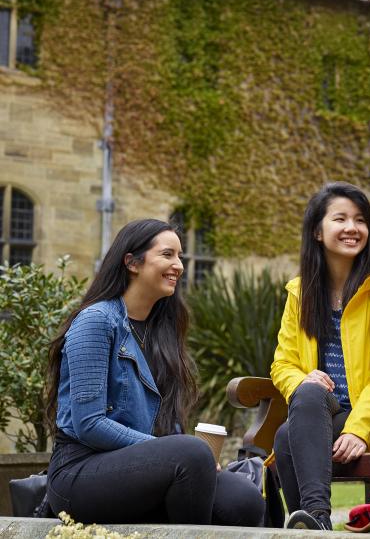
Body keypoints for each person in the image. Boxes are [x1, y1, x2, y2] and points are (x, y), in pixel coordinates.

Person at [44, 219, 264, 526]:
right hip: (79, 473)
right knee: (192, 453)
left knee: (243, 498)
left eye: (180, 257)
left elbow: (165, 426)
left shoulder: (162, 331)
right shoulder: (96, 321)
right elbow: (88, 424)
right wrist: (174, 451)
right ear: (132, 262)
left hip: (142, 469)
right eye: (167, 255)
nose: (179, 266)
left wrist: (187, 456)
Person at [270, 182, 370, 530]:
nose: (351, 228)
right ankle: (318, 520)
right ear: (317, 230)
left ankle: (312, 523)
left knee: (285, 437)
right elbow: (282, 363)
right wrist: (302, 379)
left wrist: (360, 429)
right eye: (340, 219)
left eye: (360, 220)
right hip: (320, 413)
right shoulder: (300, 292)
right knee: (308, 393)